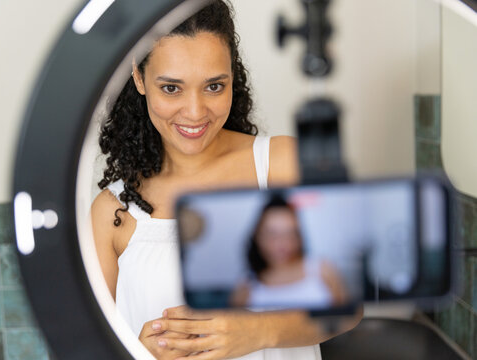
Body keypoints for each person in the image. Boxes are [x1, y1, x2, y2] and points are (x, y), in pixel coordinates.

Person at [91, 1, 361, 359]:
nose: (195, 111)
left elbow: (348, 305)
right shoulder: (113, 212)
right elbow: (93, 347)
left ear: (232, 76)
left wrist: (258, 331)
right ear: (139, 78)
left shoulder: (284, 166)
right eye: (171, 88)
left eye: (214, 87)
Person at [231, 195, 348, 310]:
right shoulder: (246, 288)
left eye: (289, 233)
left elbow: (347, 319)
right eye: (273, 234)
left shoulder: (323, 270)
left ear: (299, 236)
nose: (282, 244)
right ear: (257, 237)